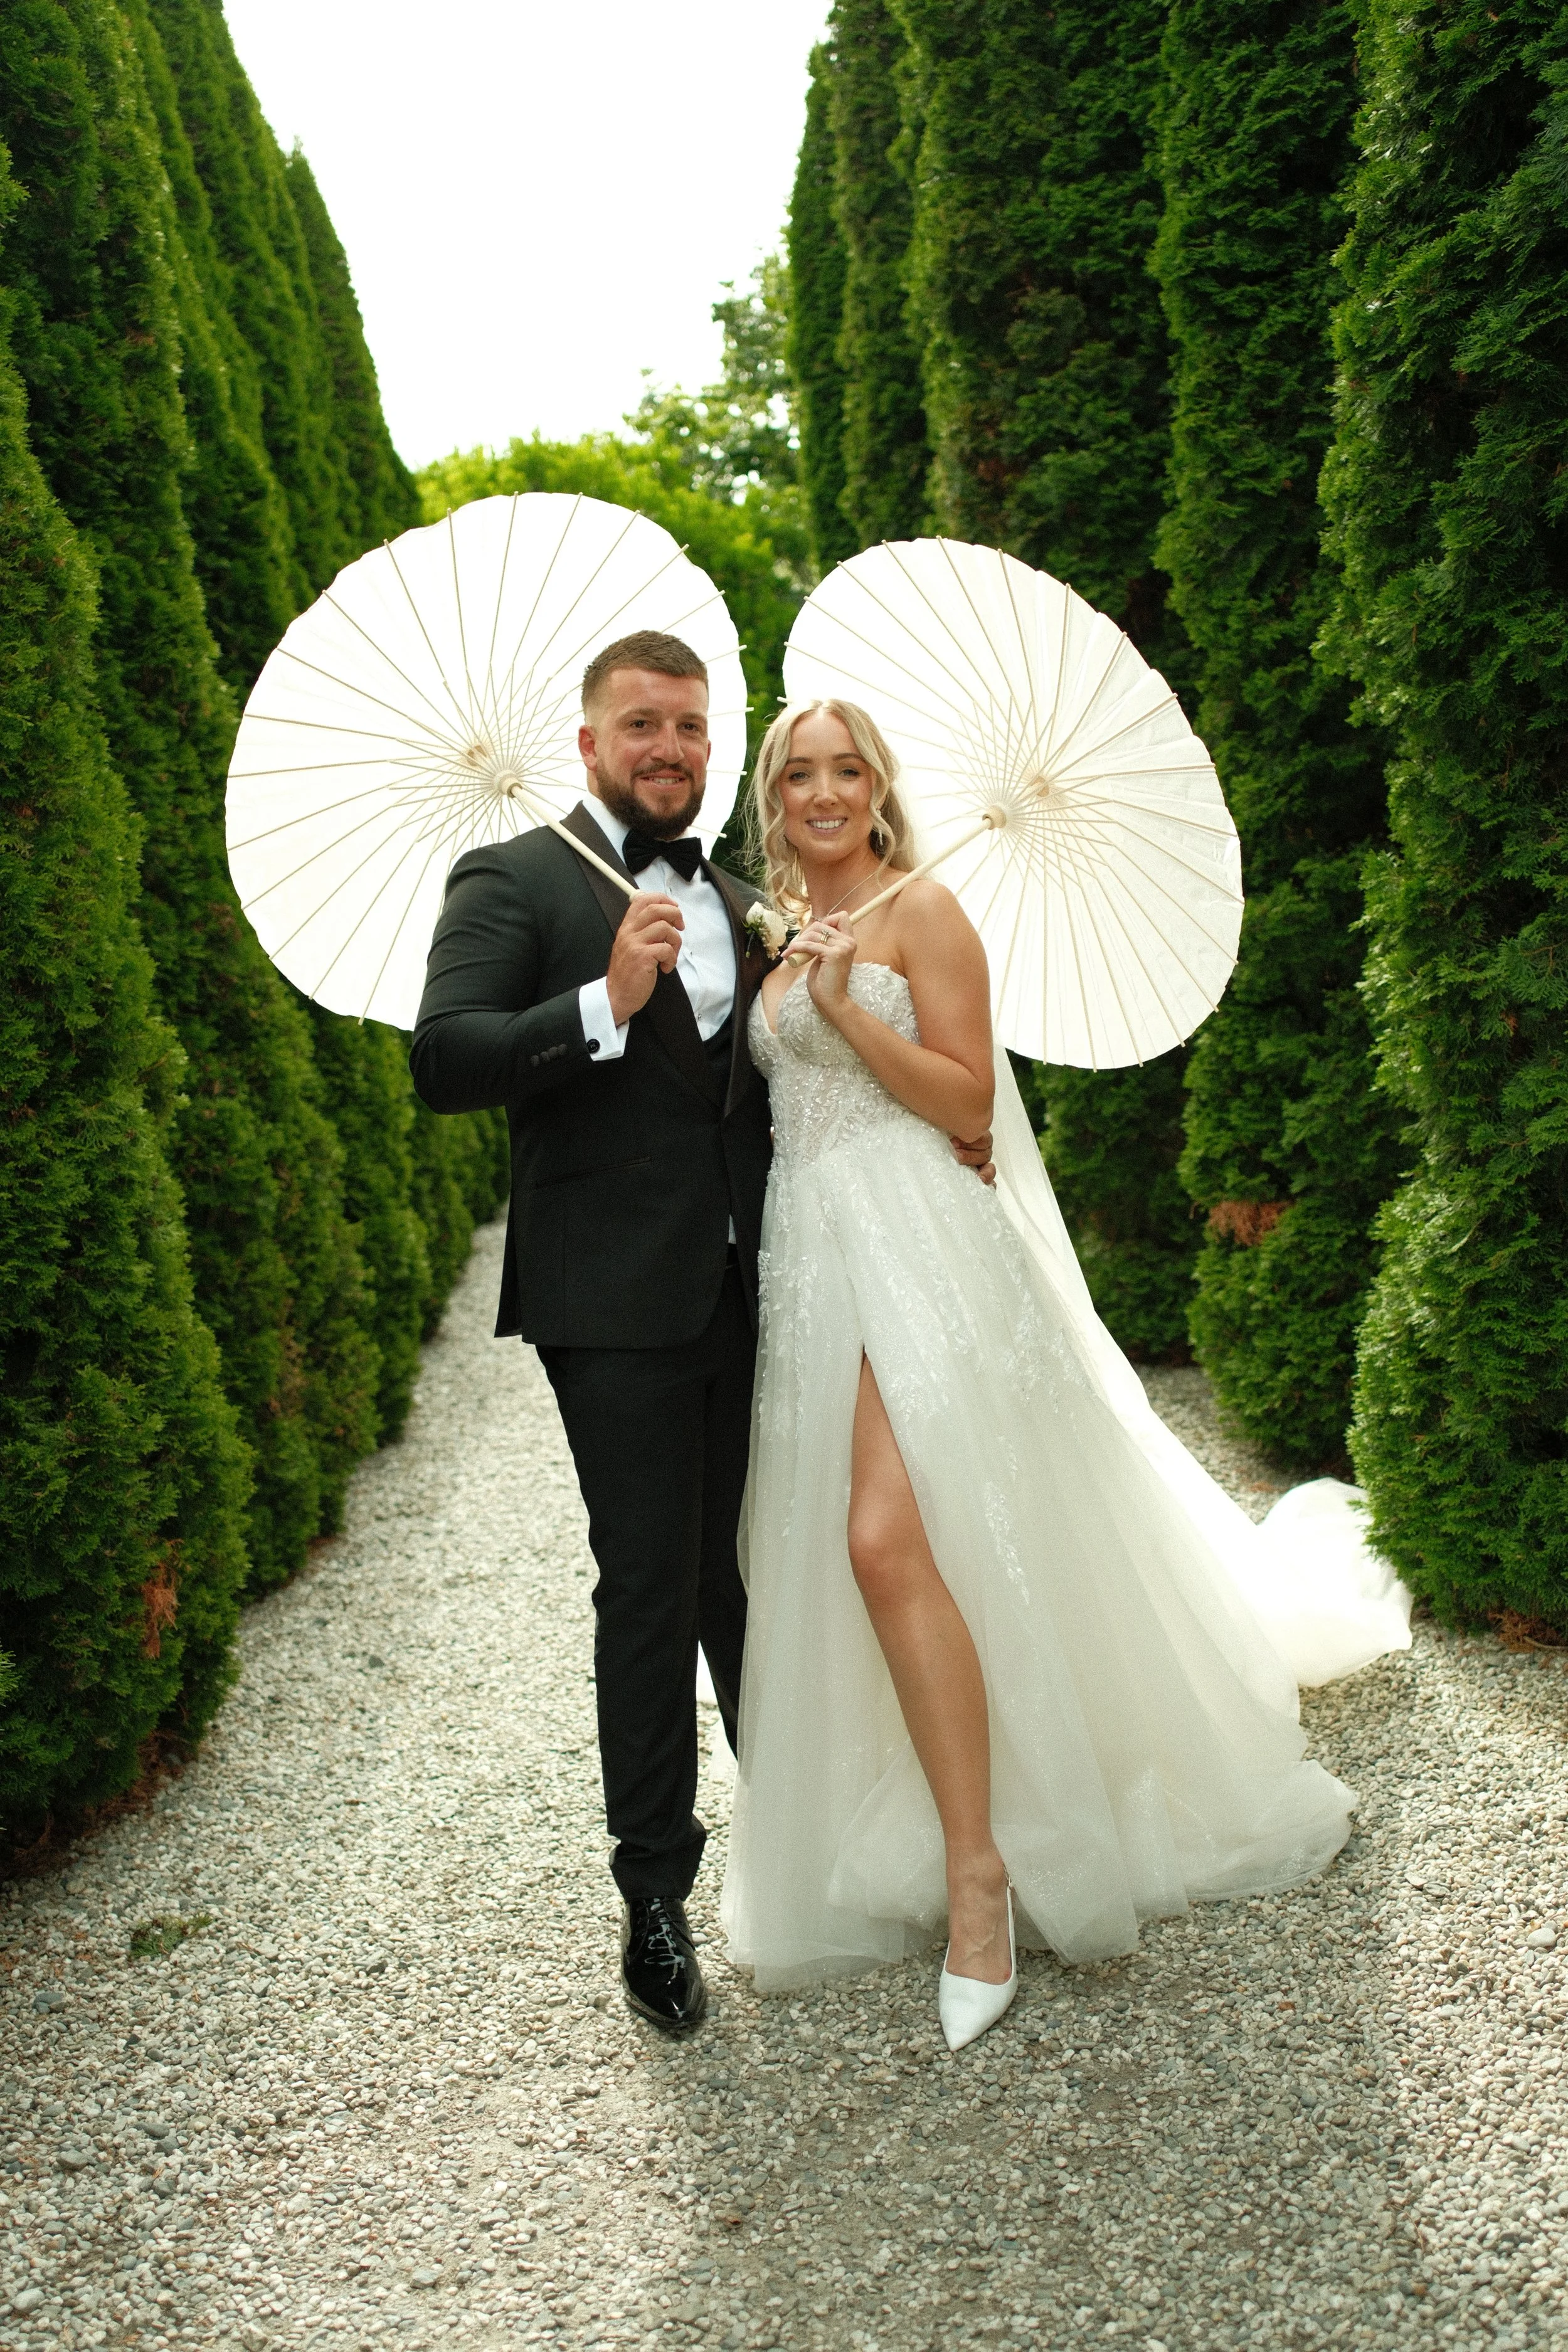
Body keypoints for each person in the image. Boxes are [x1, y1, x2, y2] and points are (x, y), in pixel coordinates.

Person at [720, 698, 1412, 2050]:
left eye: (842, 767)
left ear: (876, 786)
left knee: (878, 1542)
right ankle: (941, 1816)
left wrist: (839, 1011)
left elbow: (968, 1104)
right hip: (816, 1262)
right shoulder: (789, 932)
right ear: (774, 798)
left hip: (918, 1246)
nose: (819, 790)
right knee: (895, 1553)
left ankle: (980, 1877)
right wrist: (794, 980)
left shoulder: (924, 911)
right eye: (795, 772)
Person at [410, 633, 995, 2033]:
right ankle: (654, 1901)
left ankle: (799, 1848)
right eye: (641, 725)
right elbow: (443, 1058)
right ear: (591, 738)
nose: (667, 748)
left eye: (689, 727)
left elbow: (800, 1088)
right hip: (610, 1297)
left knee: (762, 1572)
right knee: (651, 1584)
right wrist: (596, 1005)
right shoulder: (516, 878)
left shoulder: (752, 904)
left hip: (775, 1287)